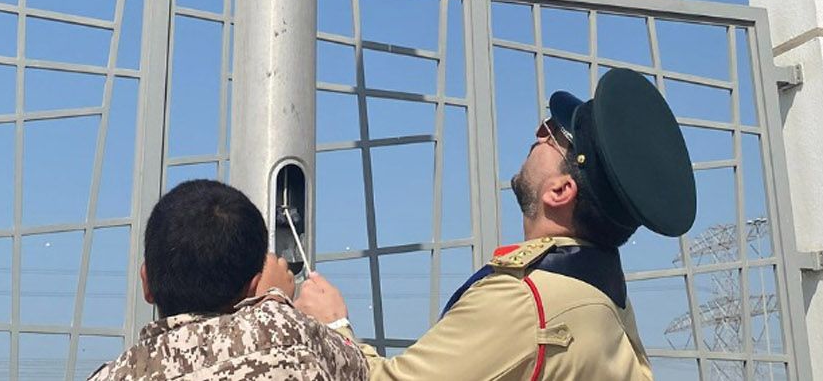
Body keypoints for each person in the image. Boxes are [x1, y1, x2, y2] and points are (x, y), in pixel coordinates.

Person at [295, 68, 697, 381]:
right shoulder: (603, 297)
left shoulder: (527, 301)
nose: (538, 133)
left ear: (560, 191)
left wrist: (331, 325)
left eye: (551, 134)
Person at [89, 179, 368, 381]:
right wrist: (275, 303)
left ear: (146, 283)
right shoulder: (289, 334)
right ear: (253, 287)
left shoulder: (112, 375)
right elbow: (360, 370)